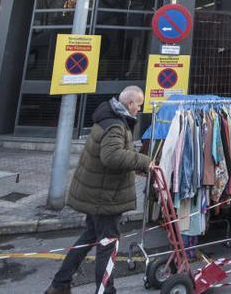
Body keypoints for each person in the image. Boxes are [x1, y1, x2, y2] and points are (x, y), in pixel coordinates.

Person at [46, 86, 153, 294]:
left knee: (89, 237)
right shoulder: (115, 125)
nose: (139, 110)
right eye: (138, 106)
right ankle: (105, 290)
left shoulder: (108, 117)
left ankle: (60, 284)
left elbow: (113, 154)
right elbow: (111, 156)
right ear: (129, 104)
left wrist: (134, 162)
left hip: (96, 192)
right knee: (108, 246)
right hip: (104, 197)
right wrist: (144, 162)